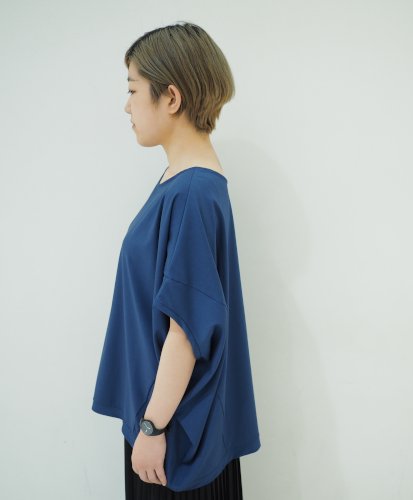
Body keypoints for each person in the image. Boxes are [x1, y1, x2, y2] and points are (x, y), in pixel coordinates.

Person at [91, 21, 261, 499]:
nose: (127, 106)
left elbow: (186, 329)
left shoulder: (192, 191)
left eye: (133, 90)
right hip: (172, 428)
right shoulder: (182, 181)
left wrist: (151, 428)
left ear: (171, 97)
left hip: (175, 441)